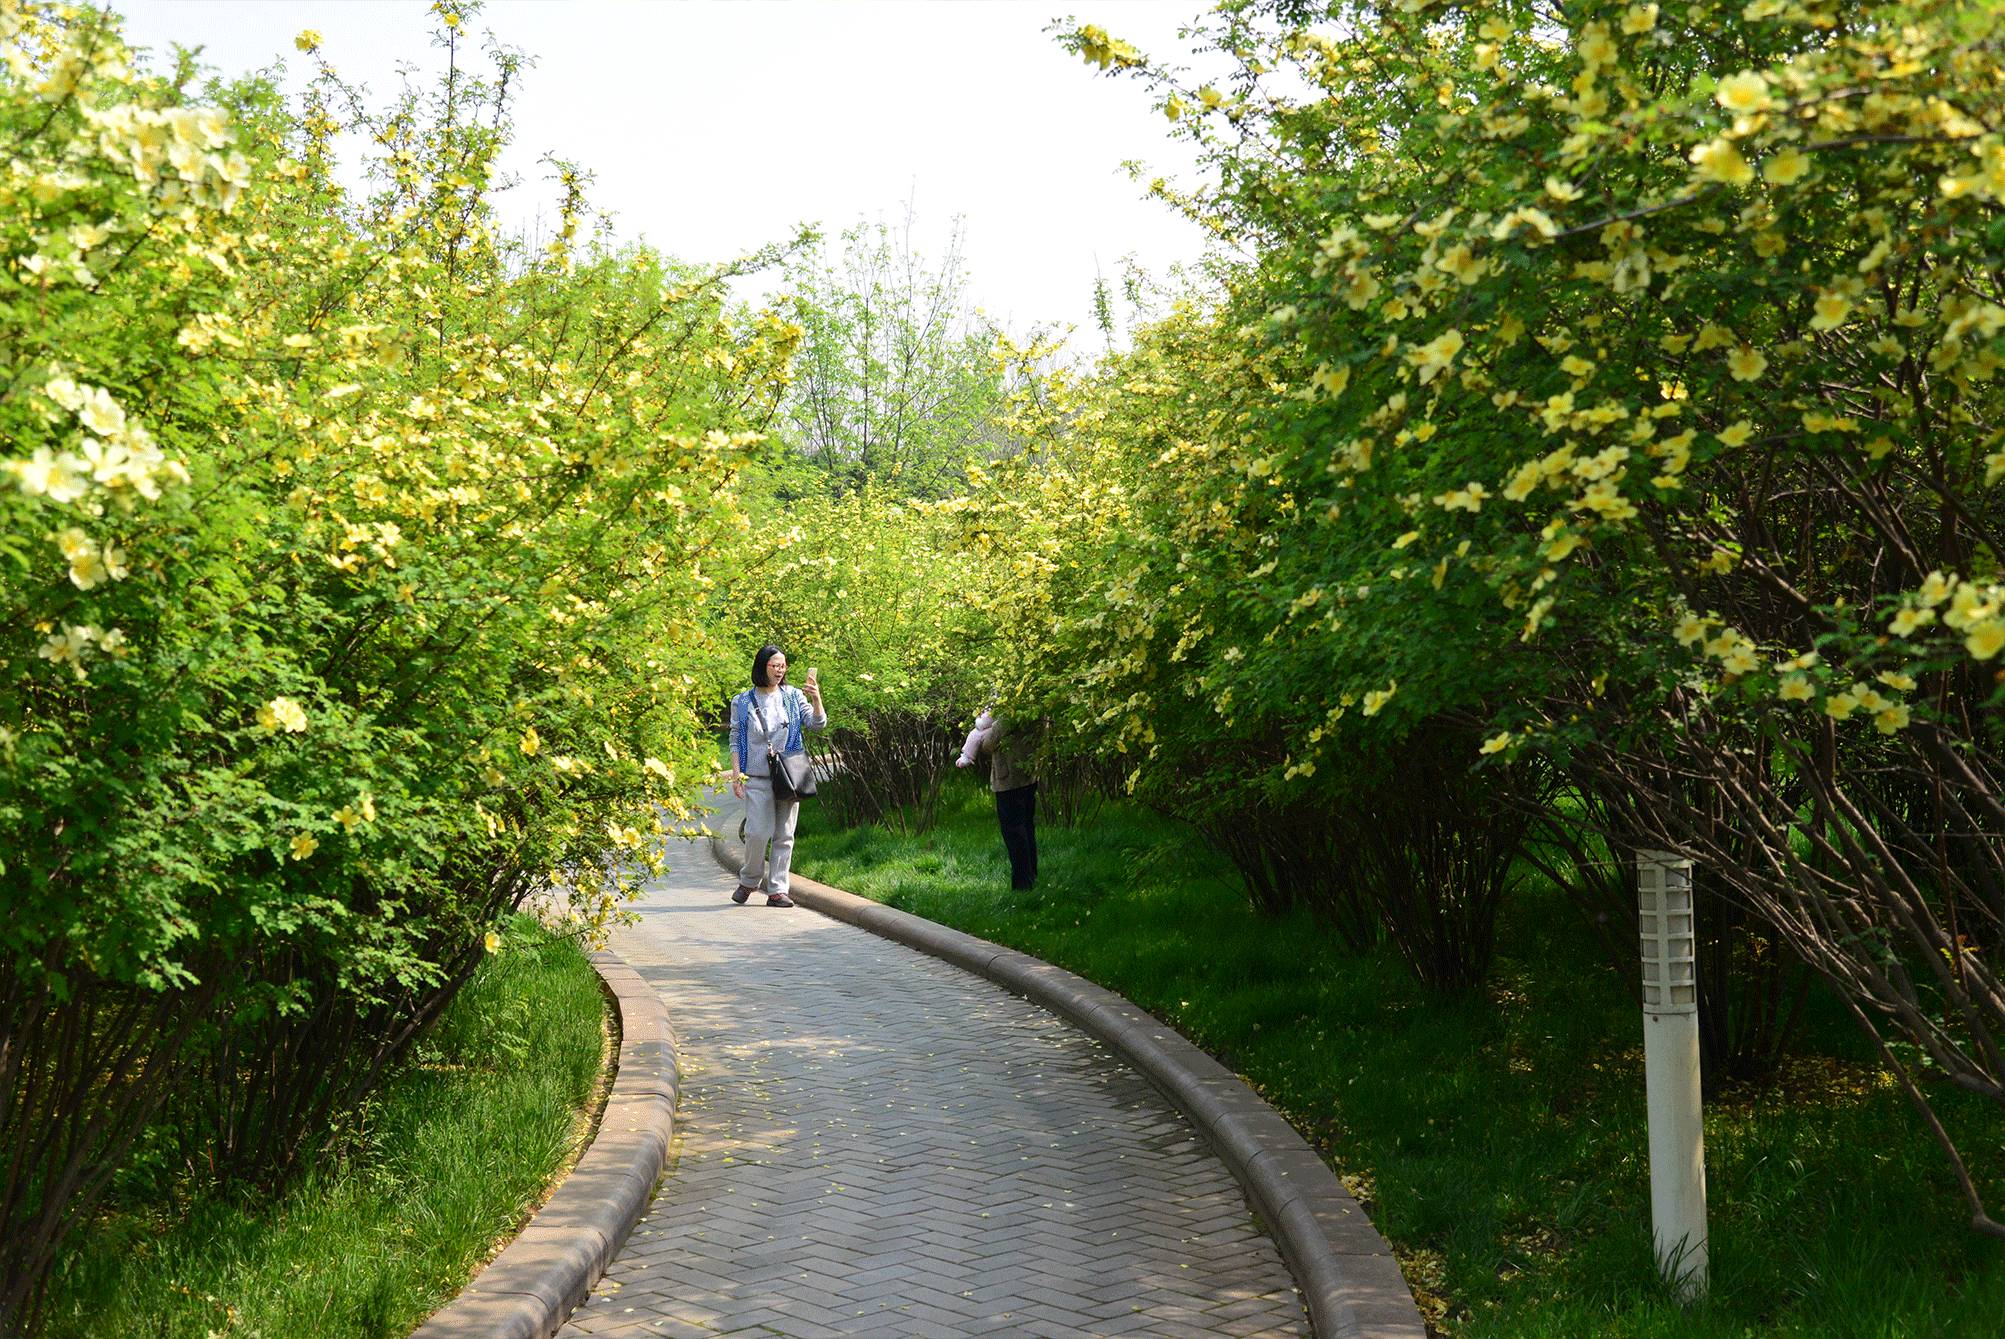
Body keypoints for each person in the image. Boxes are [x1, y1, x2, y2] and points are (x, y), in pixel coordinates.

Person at [728, 644, 826, 908]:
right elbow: (735, 739)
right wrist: (737, 775)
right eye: (775, 665)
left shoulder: (794, 696)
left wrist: (816, 699)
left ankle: (778, 891)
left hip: (788, 776)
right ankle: (749, 881)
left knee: (784, 835)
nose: (780, 670)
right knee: (757, 833)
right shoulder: (743, 701)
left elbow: (817, 725)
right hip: (757, 777)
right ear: (762, 666)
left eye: (783, 665)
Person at [978, 715, 1036, 892]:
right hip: (1029, 773)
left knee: (1014, 832)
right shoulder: (1034, 703)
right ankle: (1031, 876)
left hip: (1009, 778)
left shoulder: (1011, 710)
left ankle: (1022, 884)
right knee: (1026, 828)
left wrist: (983, 729)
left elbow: (989, 743)